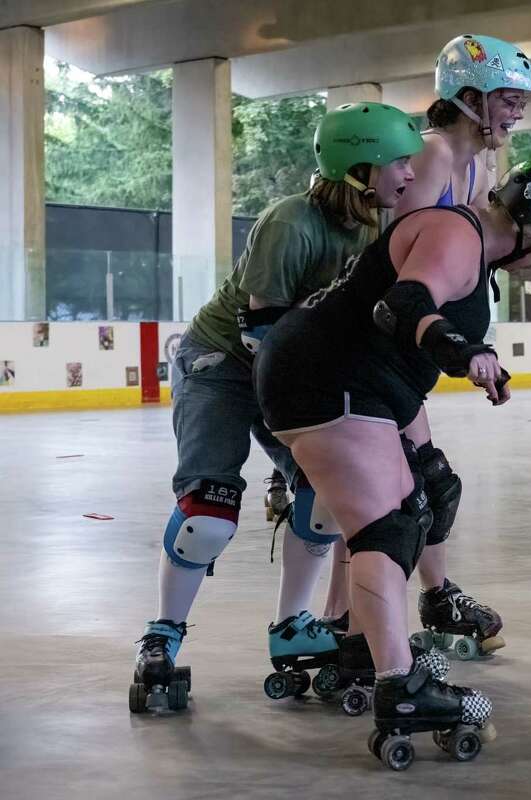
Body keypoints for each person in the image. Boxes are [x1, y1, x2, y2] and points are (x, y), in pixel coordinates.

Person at [253, 159, 531, 768]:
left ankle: (362, 649)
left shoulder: (465, 239)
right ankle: (400, 688)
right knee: (388, 527)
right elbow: (402, 306)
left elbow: (391, 334)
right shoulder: (458, 236)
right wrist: (468, 352)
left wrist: (428, 447)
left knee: (423, 498)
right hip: (328, 377)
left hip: (356, 378)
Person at [129, 102, 428, 713]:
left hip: (290, 370)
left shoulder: (376, 230)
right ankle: (161, 637)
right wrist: (291, 448)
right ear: (360, 164)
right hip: (223, 363)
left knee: (324, 504)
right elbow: (263, 335)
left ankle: (293, 624)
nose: (409, 173)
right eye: (399, 160)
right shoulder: (290, 221)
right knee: (208, 513)